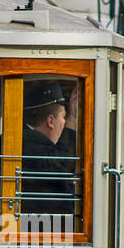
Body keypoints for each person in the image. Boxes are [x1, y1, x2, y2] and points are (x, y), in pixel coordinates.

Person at [19, 80, 75, 219]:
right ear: (51, 121)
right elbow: (62, 167)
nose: (64, 122)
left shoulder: (24, 141)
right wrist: (72, 119)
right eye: (63, 117)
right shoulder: (28, 145)